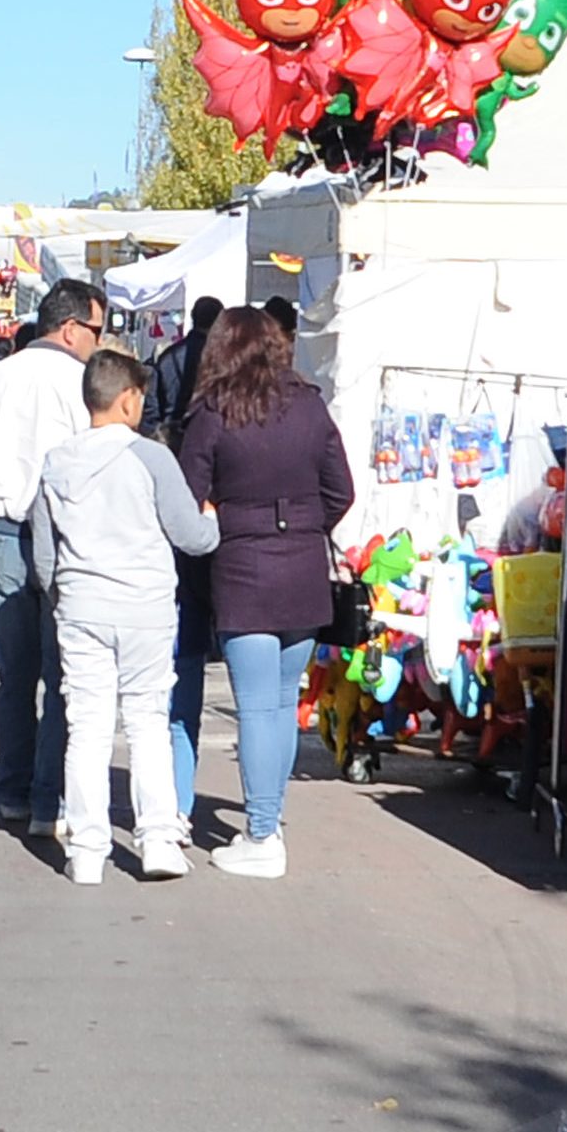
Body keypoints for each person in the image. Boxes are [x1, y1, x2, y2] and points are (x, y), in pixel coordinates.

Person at [173, 307, 352, 877]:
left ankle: (262, 833)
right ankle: (268, 825)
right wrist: (302, 523)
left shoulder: (213, 412)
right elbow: (340, 491)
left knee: (254, 707)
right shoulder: (309, 404)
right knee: (280, 704)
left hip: (241, 563)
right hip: (302, 564)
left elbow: (186, 495)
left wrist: (224, 522)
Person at [38, 349, 220, 883]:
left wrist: (62, 594)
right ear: (128, 399)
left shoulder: (57, 460)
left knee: (87, 727)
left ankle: (86, 851)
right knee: (147, 723)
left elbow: (45, 556)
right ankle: (159, 840)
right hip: (145, 607)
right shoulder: (151, 457)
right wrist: (213, 522)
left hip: (80, 606)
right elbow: (190, 535)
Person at [0, 278, 107, 835]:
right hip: (64, 534)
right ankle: (48, 801)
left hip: (7, 530)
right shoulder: (81, 382)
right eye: (96, 330)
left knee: (15, 672)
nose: (98, 341)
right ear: (71, 329)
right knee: (63, 673)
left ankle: (13, 791)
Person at [146, 296, 223, 441]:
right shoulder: (222, 360)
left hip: (168, 437)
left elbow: (151, 409)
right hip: (206, 437)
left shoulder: (167, 357)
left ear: (193, 318)